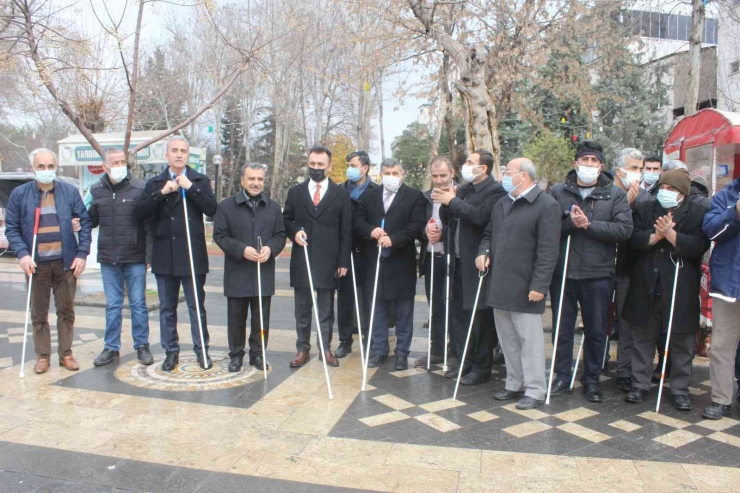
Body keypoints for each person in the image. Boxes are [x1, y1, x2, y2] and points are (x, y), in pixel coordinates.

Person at [548, 141, 632, 402]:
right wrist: (571, 224)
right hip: (564, 272)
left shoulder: (614, 194)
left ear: (601, 166)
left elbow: (623, 230)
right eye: (584, 160)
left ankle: (592, 378)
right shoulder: (557, 191)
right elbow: (547, 227)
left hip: (598, 273)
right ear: (575, 164)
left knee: (596, 330)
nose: (589, 165)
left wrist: (589, 225)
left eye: (594, 161)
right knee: (562, 328)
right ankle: (562, 374)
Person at [622, 169, 710, 410]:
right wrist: (656, 236)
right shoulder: (645, 209)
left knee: (682, 342)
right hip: (647, 283)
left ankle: (680, 389)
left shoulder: (698, 212)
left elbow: (699, 246)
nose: (666, 193)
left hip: (679, 286)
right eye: (664, 188)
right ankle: (639, 384)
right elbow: (633, 239)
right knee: (642, 338)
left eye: (672, 190)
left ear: (682, 193)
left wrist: (671, 235)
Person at [477, 158, 561, 410]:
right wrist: (483, 251)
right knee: (508, 340)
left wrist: (540, 285)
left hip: (527, 286)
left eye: (508, 172)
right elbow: (489, 235)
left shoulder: (546, 205)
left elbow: (548, 251)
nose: (504, 175)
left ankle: (535, 389)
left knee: (530, 342)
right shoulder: (502, 203)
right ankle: (514, 383)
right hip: (500, 283)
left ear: (523, 176)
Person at [5, 148, 91, 374]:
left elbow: (85, 223)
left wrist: (82, 254)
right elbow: (12, 228)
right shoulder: (20, 194)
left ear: (56, 167)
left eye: (50, 166)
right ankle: (43, 356)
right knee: (39, 313)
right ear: (33, 168)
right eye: (41, 166)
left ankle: (66, 353)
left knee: (66, 311)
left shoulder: (69, 192)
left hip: (65, 264)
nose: (46, 170)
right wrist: (23, 254)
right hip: (36, 264)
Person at [136, 136, 217, 372]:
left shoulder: (200, 180)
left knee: (196, 306)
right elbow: (140, 212)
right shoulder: (155, 182)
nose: (179, 154)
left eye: (183, 151)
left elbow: (212, 209)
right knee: (167, 307)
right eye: (174, 150)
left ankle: (202, 349)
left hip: (192, 254)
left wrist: (190, 188)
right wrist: (163, 192)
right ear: (167, 154)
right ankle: (171, 351)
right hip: (164, 254)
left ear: (188, 155)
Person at [435, 150, 507, 384]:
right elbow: (449, 219)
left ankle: (481, 366)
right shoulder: (464, 189)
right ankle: (463, 358)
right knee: (459, 315)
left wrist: (452, 202)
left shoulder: (494, 191)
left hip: (477, 262)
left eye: (469, 162)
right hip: (456, 262)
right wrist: (448, 202)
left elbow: (480, 217)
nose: (465, 165)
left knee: (479, 317)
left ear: (483, 168)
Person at [283, 144, 352, 368]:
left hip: (328, 261)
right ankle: (302, 349)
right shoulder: (296, 192)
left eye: (320, 165)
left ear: (329, 166)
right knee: (302, 309)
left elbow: (346, 230)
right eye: (312, 164)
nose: (315, 168)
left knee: (325, 310)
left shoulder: (341, 195)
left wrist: (343, 260)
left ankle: (325, 348)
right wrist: (294, 232)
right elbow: (286, 220)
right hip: (302, 259)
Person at [213, 163, 286, 372]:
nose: (256, 183)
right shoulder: (227, 206)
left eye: (260, 179)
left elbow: (280, 234)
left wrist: (271, 249)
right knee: (236, 318)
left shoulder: (272, 207)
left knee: (261, 318)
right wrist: (241, 249)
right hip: (238, 271)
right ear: (242, 181)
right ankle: (236, 355)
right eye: (251, 179)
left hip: (263, 271)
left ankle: (258, 353)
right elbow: (220, 235)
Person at [355, 158, 425, 370]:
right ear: (380, 174)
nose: (391, 177)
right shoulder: (369, 195)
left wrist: (393, 239)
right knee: (377, 309)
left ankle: (402, 353)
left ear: (402, 174)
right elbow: (358, 220)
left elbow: (416, 226)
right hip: (374, 262)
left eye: (395, 173)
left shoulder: (414, 196)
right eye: (387, 173)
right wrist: (370, 230)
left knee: (404, 311)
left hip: (401, 262)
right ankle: (379, 350)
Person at [89, 148, 154, 367]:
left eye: (122, 162)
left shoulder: (140, 188)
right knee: (112, 305)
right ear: (105, 166)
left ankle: (142, 345)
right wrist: (79, 220)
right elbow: (93, 220)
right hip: (109, 258)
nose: (119, 166)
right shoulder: (96, 189)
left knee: (138, 304)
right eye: (115, 162)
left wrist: (148, 256)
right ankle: (111, 347)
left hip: (134, 257)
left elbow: (148, 225)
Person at [610, 147, 650, 393]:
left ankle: (624, 371)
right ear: (619, 171)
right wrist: (625, 203)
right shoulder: (606, 194)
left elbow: (641, 234)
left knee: (627, 324)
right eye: (634, 168)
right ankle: (593, 366)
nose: (639, 173)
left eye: (641, 169)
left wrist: (632, 205)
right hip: (600, 268)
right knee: (596, 322)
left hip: (629, 271)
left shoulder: (645, 199)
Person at [702, 174, 740, 419]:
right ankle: (721, 399)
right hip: (729, 286)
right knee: (721, 346)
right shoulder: (727, 195)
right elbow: (710, 231)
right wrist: (735, 213)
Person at [334, 150, 377, 359]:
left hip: (369, 251)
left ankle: (370, 339)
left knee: (369, 298)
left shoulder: (376, 191)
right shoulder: (340, 190)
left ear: (365, 168)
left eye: (353, 164)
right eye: (348, 165)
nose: (349, 169)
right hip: (346, 252)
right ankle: (345, 340)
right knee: (345, 298)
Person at [416, 156, 455, 368]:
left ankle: (456, 350)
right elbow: (417, 225)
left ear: (452, 174)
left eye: (443, 175)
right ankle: (437, 350)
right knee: (435, 308)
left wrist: (443, 235)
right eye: (435, 176)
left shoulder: (461, 195)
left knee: (452, 306)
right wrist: (426, 231)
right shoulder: (425, 197)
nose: (439, 180)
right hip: (432, 258)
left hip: (453, 259)